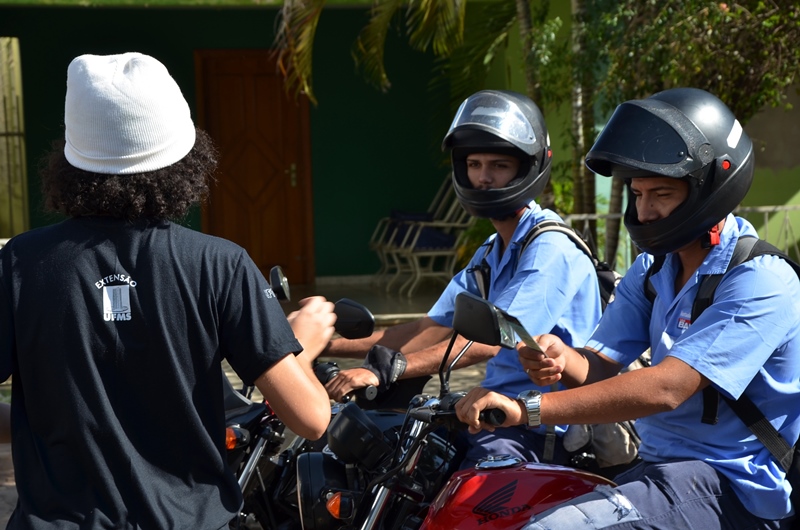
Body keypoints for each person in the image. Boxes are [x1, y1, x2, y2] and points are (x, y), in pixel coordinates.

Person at [0, 52, 336, 530]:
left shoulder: (20, 262)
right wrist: (298, 343)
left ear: (70, 158)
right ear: (186, 156)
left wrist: (46, 425)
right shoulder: (220, 263)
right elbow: (311, 418)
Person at [455, 87, 800, 529]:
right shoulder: (653, 271)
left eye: (660, 193)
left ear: (710, 187)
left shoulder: (760, 279)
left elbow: (666, 388)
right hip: (658, 468)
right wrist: (563, 359)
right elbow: (600, 364)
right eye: (637, 194)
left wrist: (528, 407)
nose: (645, 210)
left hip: (729, 485)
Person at [323, 90, 603, 468]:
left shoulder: (550, 246)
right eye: (474, 164)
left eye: (499, 165)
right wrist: (323, 345)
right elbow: (431, 327)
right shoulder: (491, 252)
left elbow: (496, 340)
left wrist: (393, 368)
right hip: (488, 411)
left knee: (467, 497)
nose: (483, 178)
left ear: (527, 168)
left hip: (540, 426)